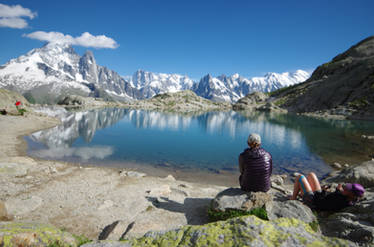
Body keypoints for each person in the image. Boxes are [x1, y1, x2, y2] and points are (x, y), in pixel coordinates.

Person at [290, 172, 365, 211]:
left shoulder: (339, 198)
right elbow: (339, 196)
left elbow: (320, 201)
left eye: (347, 189)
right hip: (319, 196)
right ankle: (302, 191)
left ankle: (293, 198)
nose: (345, 188)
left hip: (313, 201)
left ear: (351, 194)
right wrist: (338, 190)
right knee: (311, 174)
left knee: (300, 177)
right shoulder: (351, 198)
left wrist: (323, 191)